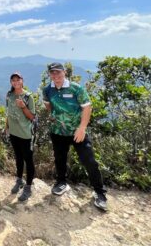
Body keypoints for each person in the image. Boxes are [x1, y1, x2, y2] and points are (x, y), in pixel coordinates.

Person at [42, 62, 108, 211]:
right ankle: (61, 183)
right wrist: (56, 116)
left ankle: (100, 193)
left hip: (77, 132)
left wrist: (82, 128)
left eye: (58, 72)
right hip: (58, 131)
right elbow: (48, 106)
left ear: (64, 72)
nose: (56, 76)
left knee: (89, 160)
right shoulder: (47, 90)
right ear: (50, 75)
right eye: (52, 73)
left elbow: (87, 107)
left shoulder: (76, 88)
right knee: (60, 159)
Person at [5, 72, 36, 202]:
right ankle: (19, 180)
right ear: (11, 82)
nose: (16, 82)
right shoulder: (9, 95)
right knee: (18, 158)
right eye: (13, 80)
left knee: (28, 160)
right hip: (14, 133)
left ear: (22, 81)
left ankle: (28, 187)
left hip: (25, 134)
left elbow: (32, 117)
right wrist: (7, 127)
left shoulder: (28, 97)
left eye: (18, 80)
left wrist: (23, 107)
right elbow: (8, 112)